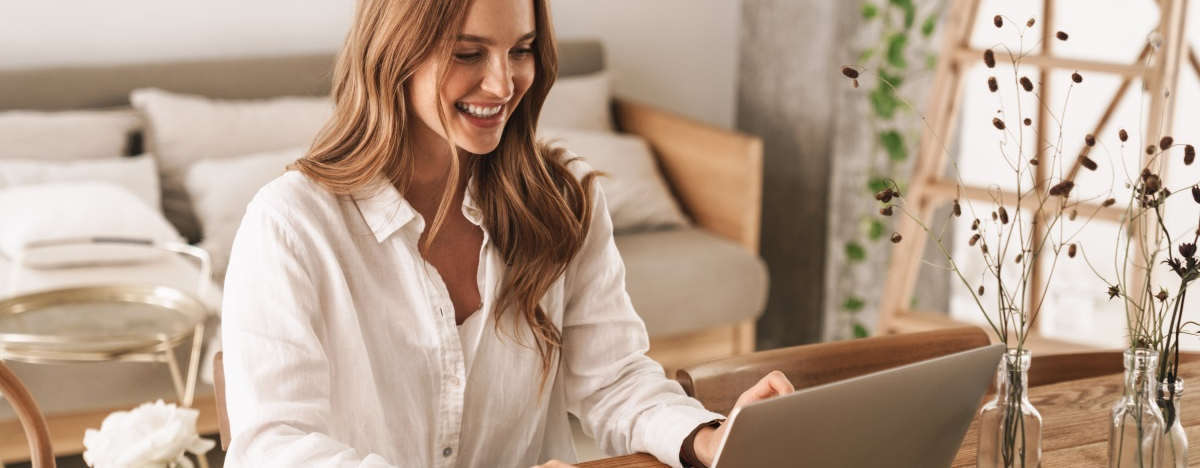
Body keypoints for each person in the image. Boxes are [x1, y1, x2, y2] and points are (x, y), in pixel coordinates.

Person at [220, 0, 793, 467]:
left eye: (521, 51)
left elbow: (613, 380)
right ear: (394, 53)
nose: (502, 84)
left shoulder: (564, 199)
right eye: (469, 53)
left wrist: (709, 436)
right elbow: (275, 448)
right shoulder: (291, 225)